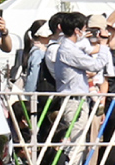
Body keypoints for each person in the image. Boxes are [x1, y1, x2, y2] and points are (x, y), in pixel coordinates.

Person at [54, 12, 107, 145]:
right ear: (77, 31)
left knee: (78, 143)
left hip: (77, 99)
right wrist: (104, 45)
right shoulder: (69, 50)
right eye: (84, 29)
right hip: (74, 101)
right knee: (76, 144)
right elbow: (95, 65)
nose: (86, 32)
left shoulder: (68, 47)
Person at [22, 19, 53, 93]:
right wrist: (29, 94)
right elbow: (34, 75)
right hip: (38, 94)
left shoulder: (34, 50)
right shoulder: (38, 52)